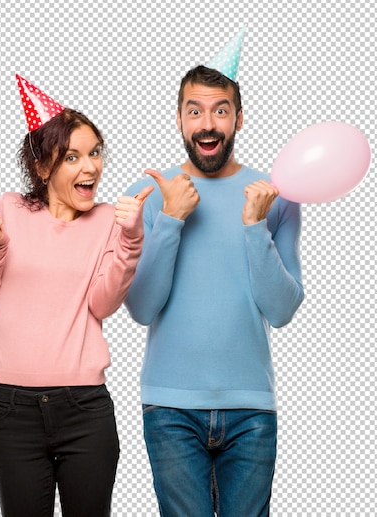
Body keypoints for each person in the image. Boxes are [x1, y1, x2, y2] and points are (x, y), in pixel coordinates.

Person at [124, 42, 305, 516]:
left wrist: (254, 226)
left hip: (252, 409)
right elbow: (141, 307)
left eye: (221, 110)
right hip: (169, 408)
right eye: (195, 111)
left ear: (239, 119)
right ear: (180, 120)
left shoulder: (274, 196)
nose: (208, 123)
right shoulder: (149, 193)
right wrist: (171, 219)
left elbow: (282, 310)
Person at [0, 74, 153, 517]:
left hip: (85, 409)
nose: (91, 167)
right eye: (73, 157)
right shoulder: (9, 209)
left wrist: (131, 239)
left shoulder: (109, 220)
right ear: (44, 167)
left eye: (95, 153)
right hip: (15, 411)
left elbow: (103, 304)